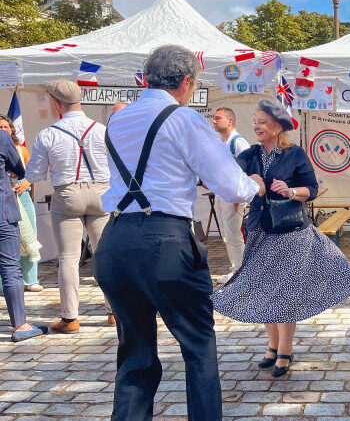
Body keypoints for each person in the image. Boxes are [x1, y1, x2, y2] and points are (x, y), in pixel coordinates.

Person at [94, 45, 265, 420]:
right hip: (165, 241)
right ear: (187, 82)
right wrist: (255, 185)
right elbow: (229, 184)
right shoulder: (184, 119)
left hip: (116, 240)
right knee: (197, 345)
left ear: (146, 78)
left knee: (134, 353)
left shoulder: (118, 121)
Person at [212, 99, 350, 378]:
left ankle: (285, 350)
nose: (256, 126)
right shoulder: (251, 153)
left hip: (290, 232)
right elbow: (228, 173)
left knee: (284, 290)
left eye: (262, 121)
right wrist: (250, 176)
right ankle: (271, 345)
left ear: (278, 126)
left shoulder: (294, 154)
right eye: (255, 121)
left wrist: (291, 191)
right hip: (258, 228)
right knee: (264, 287)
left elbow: (312, 189)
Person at [26, 79, 114, 332]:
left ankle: (70, 317)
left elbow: (35, 174)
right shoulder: (102, 129)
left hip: (67, 193)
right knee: (105, 255)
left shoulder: (48, 133)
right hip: (101, 191)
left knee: (68, 258)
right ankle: (114, 312)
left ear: (56, 102)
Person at [0, 128, 47, 342]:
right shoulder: (2, 138)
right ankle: (20, 325)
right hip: (2, 211)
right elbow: (19, 168)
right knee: (10, 267)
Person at [0, 115, 42, 292]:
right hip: (5, 196)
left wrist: (27, 183)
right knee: (7, 239)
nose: (2, 130)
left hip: (22, 195)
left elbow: (31, 171)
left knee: (29, 236)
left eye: (5, 127)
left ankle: (30, 279)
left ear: (11, 129)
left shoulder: (21, 149)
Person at [210, 107, 249, 283]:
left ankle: (240, 271)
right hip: (222, 192)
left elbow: (247, 170)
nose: (214, 121)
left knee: (233, 232)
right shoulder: (222, 142)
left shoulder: (238, 141)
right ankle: (236, 268)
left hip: (232, 194)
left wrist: (238, 196)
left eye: (218, 118)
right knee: (227, 232)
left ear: (230, 121)